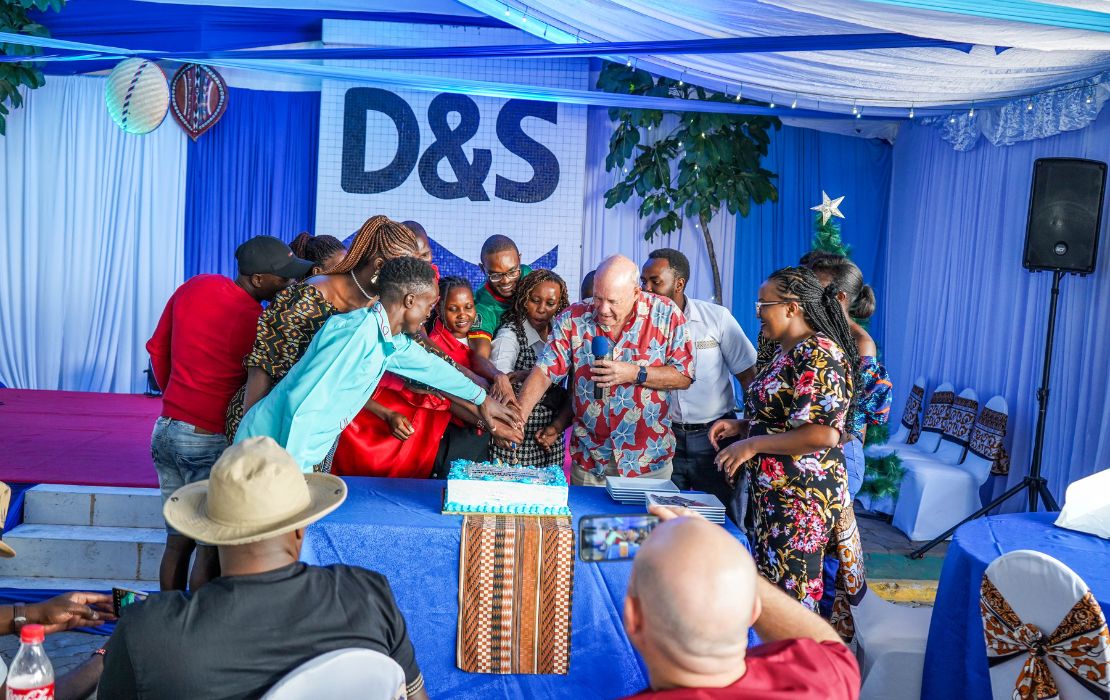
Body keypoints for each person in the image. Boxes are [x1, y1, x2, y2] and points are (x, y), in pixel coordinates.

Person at [98, 437, 430, 700]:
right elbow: (413, 694)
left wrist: (110, 653)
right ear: (300, 529)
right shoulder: (370, 595)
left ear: (210, 534)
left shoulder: (149, 629)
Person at [235, 257, 522, 471]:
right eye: (429, 306)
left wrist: (481, 398)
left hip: (283, 455)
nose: (429, 315)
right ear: (410, 301)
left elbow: (433, 369)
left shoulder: (386, 336)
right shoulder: (356, 336)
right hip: (270, 455)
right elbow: (304, 406)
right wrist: (292, 476)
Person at [147, 235, 311, 592]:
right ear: (257, 279)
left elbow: (158, 350)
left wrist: (174, 396)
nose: (290, 283)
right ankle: (201, 631)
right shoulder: (261, 324)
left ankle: (169, 622)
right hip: (208, 437)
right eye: (283, 278)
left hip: (165, 429)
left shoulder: (196, 286)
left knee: (176, 542)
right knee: (210, 549)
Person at [709, 267, 858, 611]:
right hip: (776, 499)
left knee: (793, 601)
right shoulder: (785, 353)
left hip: (801, 502)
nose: (757, 312)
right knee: (772, 595)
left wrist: (752, 445)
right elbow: (787, 418)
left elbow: (822, 432)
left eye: (764, 304)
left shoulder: (820, 353)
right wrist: (745, 427)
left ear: (792, 307)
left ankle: (797, 663)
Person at [620, 505, 860, 699]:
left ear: (633, 618)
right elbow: (823, 641)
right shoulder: (826, 681)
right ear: (754, 610)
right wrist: (720, 552)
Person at [224, 215, 422, 442]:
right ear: (379, 266)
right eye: (406, 270)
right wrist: (251, 435)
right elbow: (263, 365)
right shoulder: (309, 296)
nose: (411, 279)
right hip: (271, 424)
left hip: (314, 428)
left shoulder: (380, 306)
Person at [516, 255, 694, 485]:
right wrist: (518, 418)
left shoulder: (667, 314)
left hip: (648, 461)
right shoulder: (573, 318)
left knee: (647, 522)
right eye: (597, 298)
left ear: (636, 293)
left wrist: (634, 373)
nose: (602, 309)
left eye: (613, 301)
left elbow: (684, 375)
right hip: (590, 461)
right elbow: (544, 371)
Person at [641, 248, 757, 515]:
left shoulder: (716, 318)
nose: (646, 289)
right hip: (662, 439)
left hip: (714, 437)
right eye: (643, 281)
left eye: (655, 282)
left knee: (723, 518)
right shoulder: (639, 327)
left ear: (679, 283)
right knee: (663, 518)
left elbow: (749, 377)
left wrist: (750, 430)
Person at [803, 254, 891, 499]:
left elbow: (854, 423)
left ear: (840, 297)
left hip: (838, 455)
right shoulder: (810, 334)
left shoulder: (861, 343)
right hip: (803, 448)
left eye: (816, 289)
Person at [490, 270, 570, 467]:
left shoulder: (561, 334)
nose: (542, 309)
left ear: (559, 304)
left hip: (549, 440)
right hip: (514, 440)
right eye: (535, 300)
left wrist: (556, 427)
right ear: (524, 298)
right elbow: (499, 381)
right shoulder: (510, 334)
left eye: (550, 304)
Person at [429, 277, 492, 475]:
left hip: (478, 434)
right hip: (452, 434)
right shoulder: (435, 345)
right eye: (453, 309)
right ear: (439, 309)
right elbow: (445, 396)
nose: (462, 315)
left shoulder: (479, 337)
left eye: (468, 306)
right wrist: (488, 422)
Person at [468, 235, 532, 403]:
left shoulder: (529, 275)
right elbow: (479, 358)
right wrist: (499, 376)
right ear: (483, 269)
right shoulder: (482, 306)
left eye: (512, 271)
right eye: (496, 275)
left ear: (519, 260)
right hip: (509, 373)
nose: (506, 281)